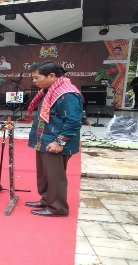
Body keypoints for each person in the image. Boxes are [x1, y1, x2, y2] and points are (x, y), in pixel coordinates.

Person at [25, 60, 83, 217]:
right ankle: (46, 199)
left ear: (51, 75)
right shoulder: (51, 89)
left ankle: (57, 208)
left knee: (55, 176)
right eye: (33, 78)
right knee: (44, 174)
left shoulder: (67, 94)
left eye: (37, 78)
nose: (34, 81)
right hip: (45, 139)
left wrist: (59, 142)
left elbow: (73, 121)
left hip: (56, 142)